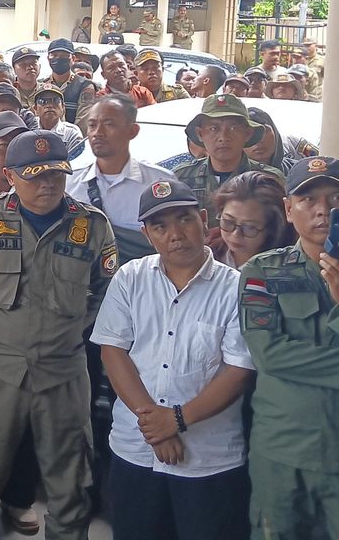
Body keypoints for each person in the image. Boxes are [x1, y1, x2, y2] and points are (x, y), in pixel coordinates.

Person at [0, 130, 117, 540]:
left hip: (63, 375)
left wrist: (70, 327)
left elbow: (106, 295)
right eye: (34, 176)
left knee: (71, 485)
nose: (47, 184)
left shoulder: (90, 225)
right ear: (10, 176)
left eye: (56, 174)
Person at [91, 179, 254, 540]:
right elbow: (113, 350)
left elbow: (238, 370)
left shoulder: (235, 286)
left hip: (209, 458)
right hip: (135, 448)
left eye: (183, 219)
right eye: (160, 226)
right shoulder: (130, 278)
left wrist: (176, 420)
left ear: (203, 220)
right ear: (147, 234)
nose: (175, 234)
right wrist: (155, 424)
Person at [241, 157, 339, 537]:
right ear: (288, 209)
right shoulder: (263, 271)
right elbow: (269, 354)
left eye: (333, 198)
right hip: (283, 452)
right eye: (308, 199)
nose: (322, 210)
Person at [68, 96, 173, 264]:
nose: (98, 133)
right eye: (92, 125)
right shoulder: (69, 183)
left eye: (109, 124)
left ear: (133, 131)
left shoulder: (160, 183)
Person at [174, 94, 284, 227]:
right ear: (200, 134)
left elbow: (281, 229)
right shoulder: (181, 178)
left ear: (247, 134)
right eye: (214, 128)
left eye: (233, 128)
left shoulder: (268, 179)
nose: (223, 137)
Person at [210, 171, 296, 270]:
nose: (235, 235)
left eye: (249, 228)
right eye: (228, 222)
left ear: (273, 228)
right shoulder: (206, 254)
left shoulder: (287, 269)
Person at [40, 38, 97, 133]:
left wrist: (69, 138)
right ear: (48, 59)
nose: (58, 59)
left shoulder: (84, 86)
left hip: (73, 142)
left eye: (64, 56)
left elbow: (83, 124)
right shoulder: (42, 85)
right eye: (54, 55)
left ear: (73, 59)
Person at [32, 82, 84, 158]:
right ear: (35, 108)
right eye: (42, 101)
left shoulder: (71, 132)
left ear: (63, 107)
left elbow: (76, 162)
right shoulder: (28, 127)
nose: (49, 105)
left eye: (55, 100)